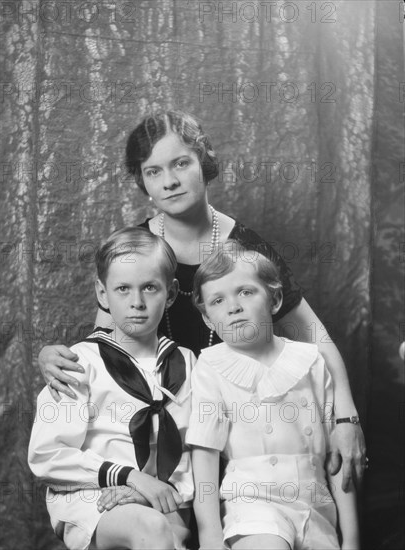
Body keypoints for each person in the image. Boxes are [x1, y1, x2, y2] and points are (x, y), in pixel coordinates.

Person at [37, 110, 365, 490]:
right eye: (153, 171)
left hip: (240, 427)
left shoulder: (246, 247)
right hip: (162, 434)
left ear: (203, 162)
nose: (170, 181)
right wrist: (53, 356)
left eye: (180, 163)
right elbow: (104, 346)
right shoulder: (139, 251)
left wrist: (347, 420)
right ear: (143, 182)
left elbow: (317, 340)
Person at [28, 227, 196, 550]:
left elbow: (197, 450)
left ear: (171, 293)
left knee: (172, 534)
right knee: (152, 529)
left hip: (162, 495)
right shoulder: (79, 363)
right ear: (102, 294)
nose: (137, 302)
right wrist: (130, 477)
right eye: (122, 289)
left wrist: (160, 489)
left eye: (150, 287)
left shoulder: (187, 363)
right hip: (93, 496)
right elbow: (46, 456)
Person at [186, 241, 360, 550]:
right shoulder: (211, 367)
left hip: (315, 505)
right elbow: (204, 457)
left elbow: (339, 462)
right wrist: (210, 536)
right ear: (207, 319)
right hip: (253, 505)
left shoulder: (311, 360)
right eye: (217, 301)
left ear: (275, 299)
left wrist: (352, 539)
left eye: (246, 292)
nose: (233, 306)